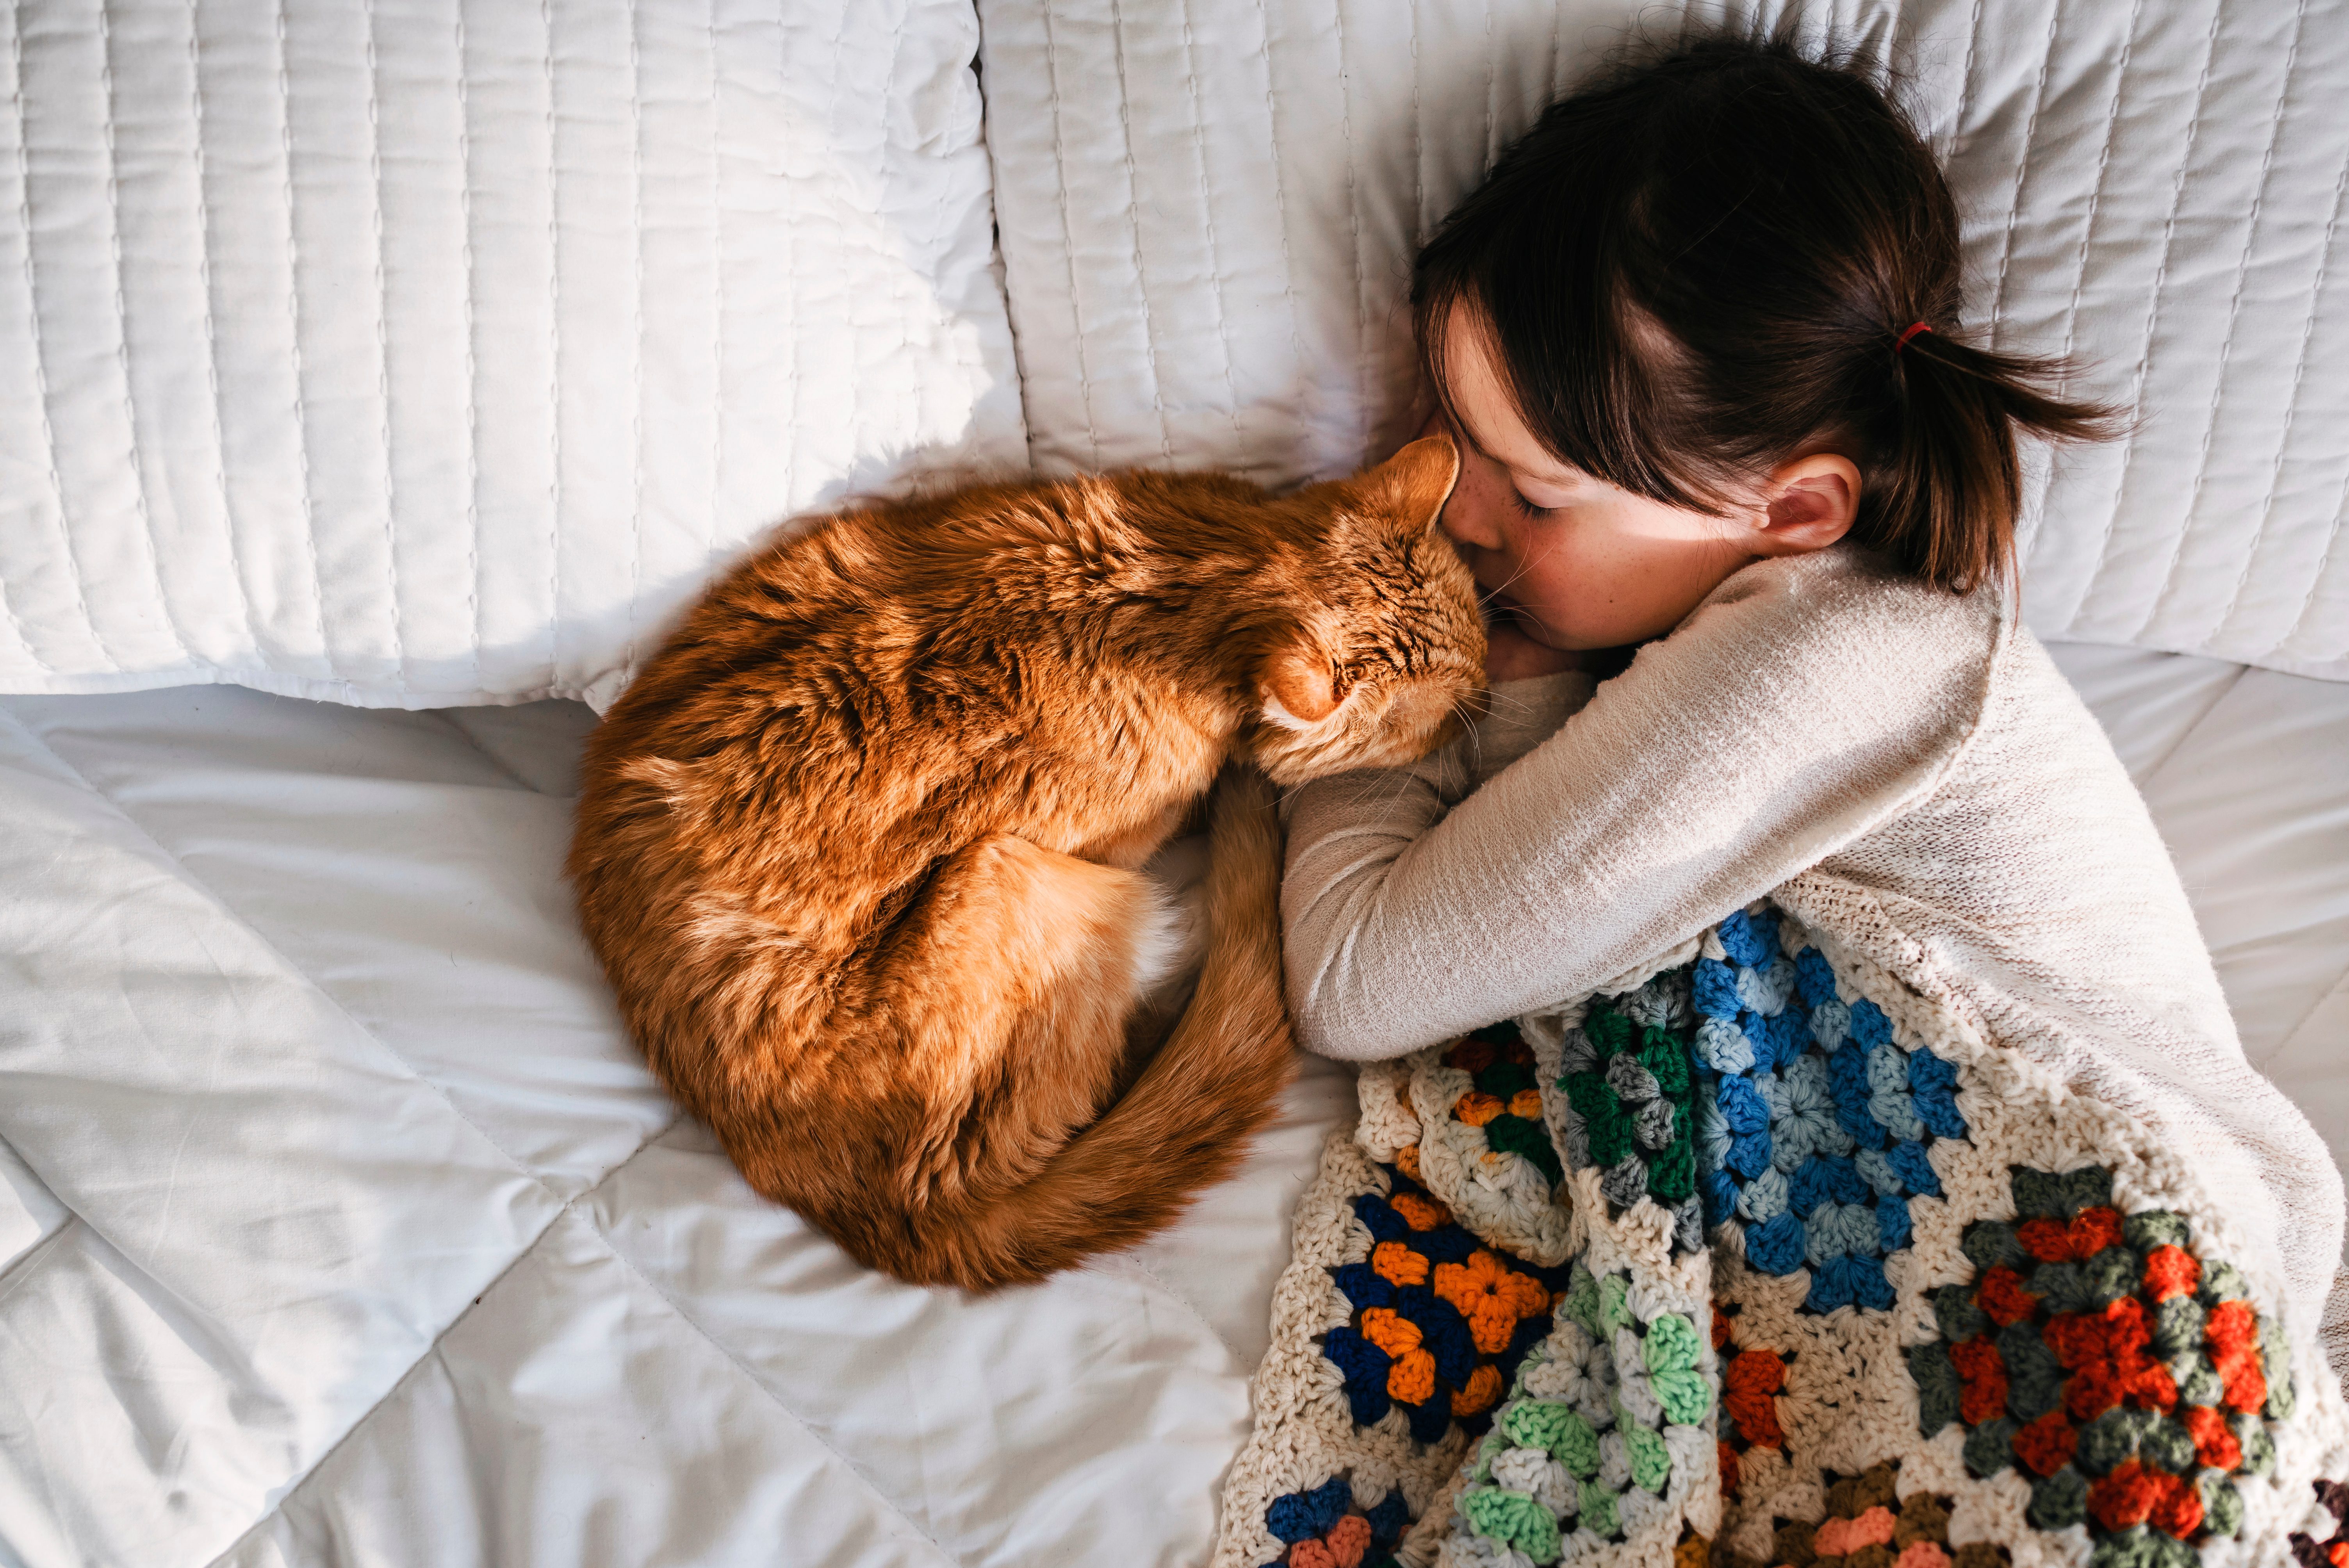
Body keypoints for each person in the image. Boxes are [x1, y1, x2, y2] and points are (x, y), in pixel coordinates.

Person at [1276, 34, 2344, 1343]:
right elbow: (1524, 882)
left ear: (1790, 509)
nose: (1453, 511)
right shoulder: (1797, 615)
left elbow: (1361, 976)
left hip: (2161, 1267)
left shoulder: (1832, 662)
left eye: (1532, 492)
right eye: (1446, 433)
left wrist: (1375, 666)